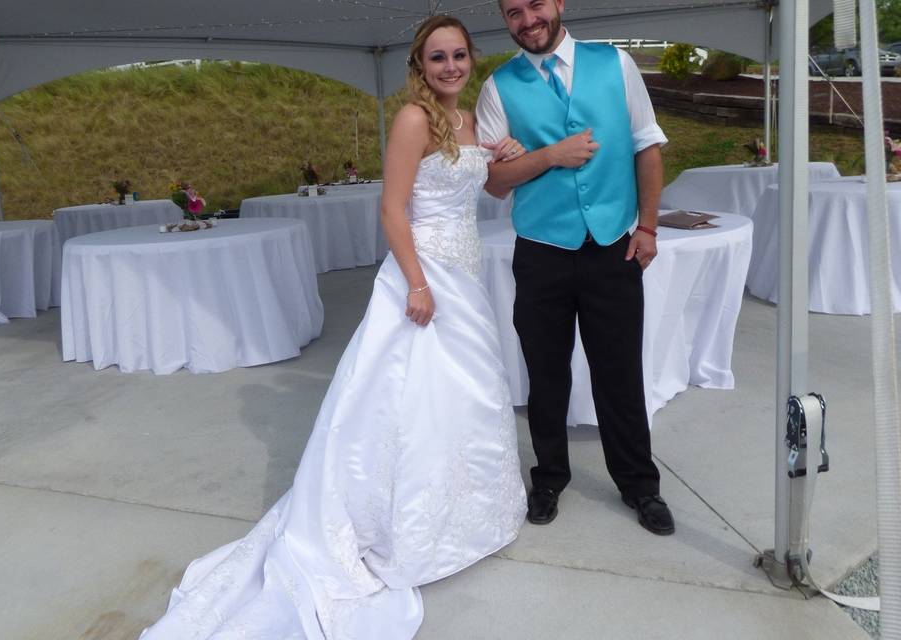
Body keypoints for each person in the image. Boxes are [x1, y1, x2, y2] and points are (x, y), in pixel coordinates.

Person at [139, 15, 528, 640]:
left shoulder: (475, 120)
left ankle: (467, 517)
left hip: (466, 275)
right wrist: (419, 284)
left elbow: (492, 193)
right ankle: (399, 526)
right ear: (419, 66)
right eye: (437, 58)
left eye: (458, 55)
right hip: (424, 275)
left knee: (463, 398)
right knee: (407, 400)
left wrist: (505, 154)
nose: (450, 66)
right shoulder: (412, 120)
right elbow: (391, 208)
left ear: (471, 59)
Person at [475, 0, 675, 535]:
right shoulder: (498, 88)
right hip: (541, 251)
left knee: (619, 372)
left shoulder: (616, 65)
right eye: (513, 12)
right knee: (545, 374)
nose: (527, 20)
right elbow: (494, 183)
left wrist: (648, 227)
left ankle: (640, 485)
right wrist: (548, 156)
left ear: (559, 3)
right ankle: (548, 478)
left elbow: (647, 147)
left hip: (612, 245)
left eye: (535, 5)